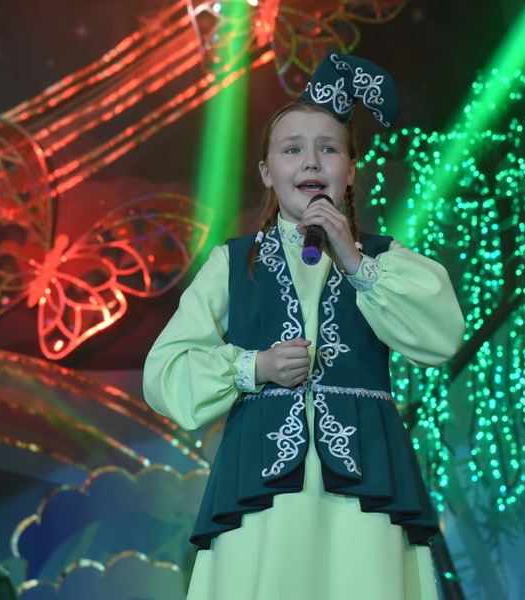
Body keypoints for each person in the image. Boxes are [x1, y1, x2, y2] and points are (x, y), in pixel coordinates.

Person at [143, 53, 465, 600]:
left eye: (329, 149)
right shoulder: (232, 262)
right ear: (267, 173)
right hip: (261, 491)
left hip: (366, 487)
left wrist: (356, 263)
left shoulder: (385, 260)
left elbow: (441, 335)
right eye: (292, 149)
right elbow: (164, 373)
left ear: (351, 170)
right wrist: (254, 367)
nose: (311, 162)